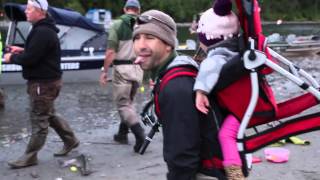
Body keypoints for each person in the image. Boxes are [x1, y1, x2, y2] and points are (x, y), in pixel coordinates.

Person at [133, 9, 225, 180]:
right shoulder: (177, 69)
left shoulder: (176, 86)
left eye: (150, 38)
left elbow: (182, 158)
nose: (141, 45)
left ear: (168, 44)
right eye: (137, 38)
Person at [3, 0, 79, 168]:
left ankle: (30, 156)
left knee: (39, 120)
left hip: (43, 84)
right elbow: (38, 52)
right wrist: (22, 50)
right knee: (48, 114)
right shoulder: (42, 29)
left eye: (29, 9)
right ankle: (70, 140)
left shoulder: (42, 31)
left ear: (40, 11)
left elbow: (30, 59)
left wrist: (11, 58)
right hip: (48, 82)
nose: (26, 12)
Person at [193, 0, 245, 179]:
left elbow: (209, 67)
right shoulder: (237, 51)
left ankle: (234, 173)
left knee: (225, 135)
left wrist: (200, 91)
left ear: (208, 37)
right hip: (242, 105)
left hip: (240, 110)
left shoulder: (218, 55)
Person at [99, 0, 145, 153]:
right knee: (129, 102)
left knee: (123, 104)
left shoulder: (117, 25)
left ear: (125, 9)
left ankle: (140, 134)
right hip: (138, 69)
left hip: (122, 69)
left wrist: (104, 71)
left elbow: (111, 52)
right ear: (138, 10)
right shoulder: (143, 26)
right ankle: (122, 133)